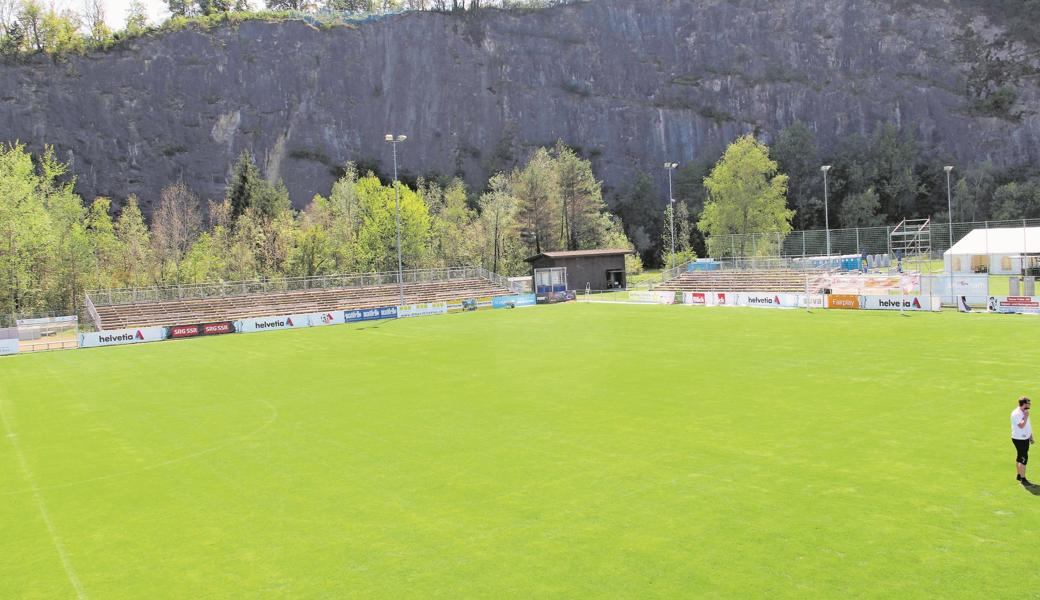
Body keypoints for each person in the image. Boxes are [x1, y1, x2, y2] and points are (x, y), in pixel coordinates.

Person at [1012, 397, 1034, 486]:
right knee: (1024, 458)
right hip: (1019, 439)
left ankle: (1019, 475)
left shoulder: (1024, 412)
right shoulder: (1016, 413)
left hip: (1024, 438)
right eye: (1028, 403)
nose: (1029, 405)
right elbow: (1021, 425)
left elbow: (1027, 425)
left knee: (1020, 456)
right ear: (1023, 404)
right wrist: (1025, 416)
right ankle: (1023, 479)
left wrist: (1031, 436)